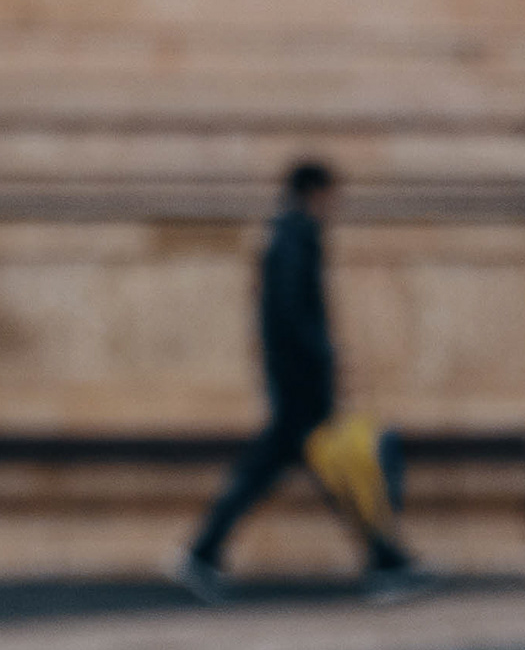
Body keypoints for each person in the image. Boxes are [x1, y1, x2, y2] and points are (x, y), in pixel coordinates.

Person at [174, 161, 429, 603]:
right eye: (332, 195)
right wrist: (322, 364)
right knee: (342, 471)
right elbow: (295, 318)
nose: (335, 205)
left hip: (295, 386)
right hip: (302, 390)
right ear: (315, 193)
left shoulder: (286, 238)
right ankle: (386, 560)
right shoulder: (296, 240)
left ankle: (205, 551)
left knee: (300, 472)